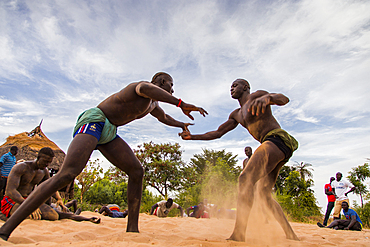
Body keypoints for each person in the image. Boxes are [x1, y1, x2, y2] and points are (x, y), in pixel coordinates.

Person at [0, 72, 207, 240]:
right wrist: (180, 102)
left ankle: (132, 229)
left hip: (109, 131)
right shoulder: (143, 87)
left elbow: (164, 117)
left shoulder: (153, 104)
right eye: (171, 85)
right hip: (95, 120)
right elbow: (145, 89)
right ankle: (6, 229)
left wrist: (181, 124)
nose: (172, 90)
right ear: (161, 82)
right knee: (67, 174)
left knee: (136, 170)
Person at [180, 79, 299, 241]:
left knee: (245, 178)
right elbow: (217, 133)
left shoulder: (258, 95)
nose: (231, 88)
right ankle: (290, 235)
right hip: (277, 149)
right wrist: (192, 137)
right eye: (230, 86)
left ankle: (239, 233)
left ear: (245, 87)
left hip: (277, 138)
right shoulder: (236, 114)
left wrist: (269, 97)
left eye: (235, 85)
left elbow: (283, 99)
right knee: (264, 195)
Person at [0, 147, 100, 224]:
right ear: (38, 158)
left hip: (29, 201)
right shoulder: (20, 167)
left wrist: (59, 199)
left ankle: (83, 218)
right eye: (45, 161)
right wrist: (27, 205)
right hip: (14, 201)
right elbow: (10, 191)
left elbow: (50, 186)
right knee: (29, 216)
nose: (47, 164)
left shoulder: (44, 171)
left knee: (53, 216)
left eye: (49, 162)